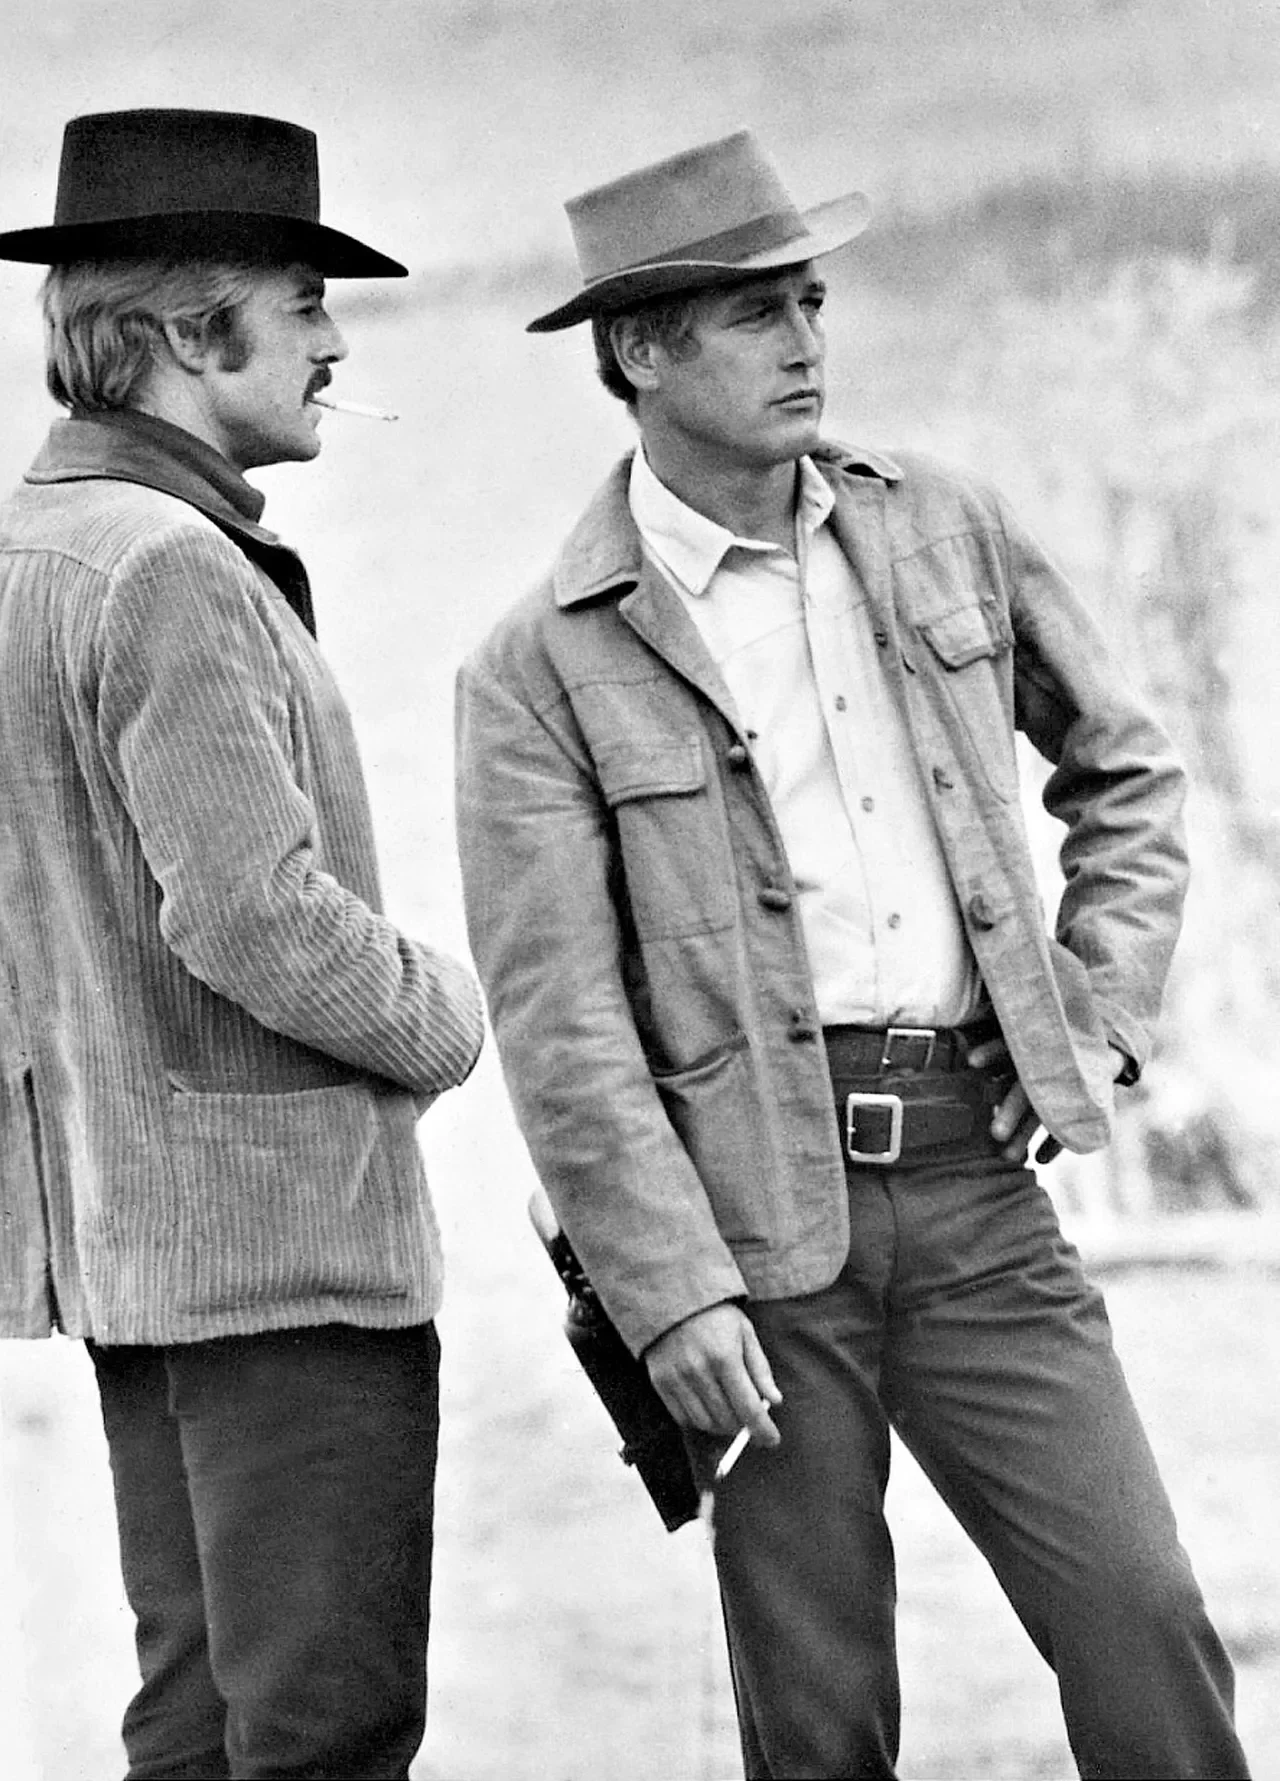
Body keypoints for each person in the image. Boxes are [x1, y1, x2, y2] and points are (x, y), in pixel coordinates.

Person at [454, 130, 1250, 1779]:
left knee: (1143, 1620)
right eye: (753, 315)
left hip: (976, 1194)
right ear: (640, 351)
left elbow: (1129, 770)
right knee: (818, 1720)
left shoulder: (944, 527)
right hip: (750, 1236)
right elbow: (563, 1025)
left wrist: (1095, 1020)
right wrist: (670, 1292)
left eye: (810, 303)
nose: (808, 343)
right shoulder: (534, 668)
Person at [0, 109, 483, 1781]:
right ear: (194, 338)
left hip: (138, 1252)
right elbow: (252, 912)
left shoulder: (33, 547)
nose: (338, 339)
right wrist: (443, 1015)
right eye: (301, 302)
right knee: (324, 1733)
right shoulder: (164, 569)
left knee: (203, 1728)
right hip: (278, 1264)